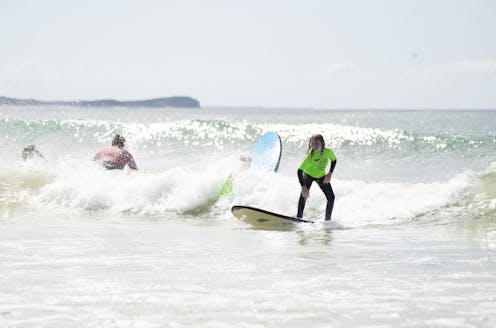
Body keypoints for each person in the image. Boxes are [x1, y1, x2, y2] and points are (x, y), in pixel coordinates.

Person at [297, 134, 336, 221]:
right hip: (308, 175)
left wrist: (330, 173)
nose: (314, 146)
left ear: (322, 143)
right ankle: (298, 219)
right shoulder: (310, 156)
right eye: (312, 143)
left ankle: (327, 221)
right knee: (304, 196)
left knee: (331, 198)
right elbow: (299, 171)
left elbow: (334, 160)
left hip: (321, 176)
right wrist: (303, 187)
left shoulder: (328, 152)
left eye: (317, 143)